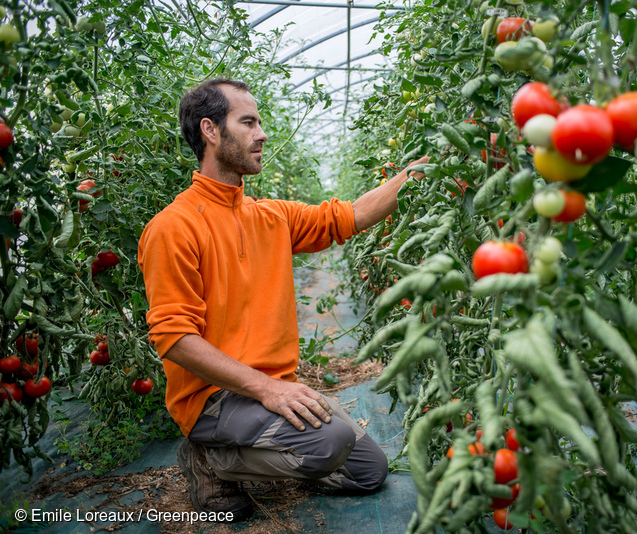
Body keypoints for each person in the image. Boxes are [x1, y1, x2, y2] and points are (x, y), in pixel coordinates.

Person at [137, 78, 428, 522]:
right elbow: (174, 338)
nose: (262, 134)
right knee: (329, 443)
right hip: (215, 398)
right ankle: (209, 460)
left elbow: (353, 214)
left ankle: (267, 447)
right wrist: (268, 388)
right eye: (248, 122)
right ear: (211, 131)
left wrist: (423, 171)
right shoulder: (173, 227)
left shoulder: (269, 216)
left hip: (269, 388)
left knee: (370, 471)